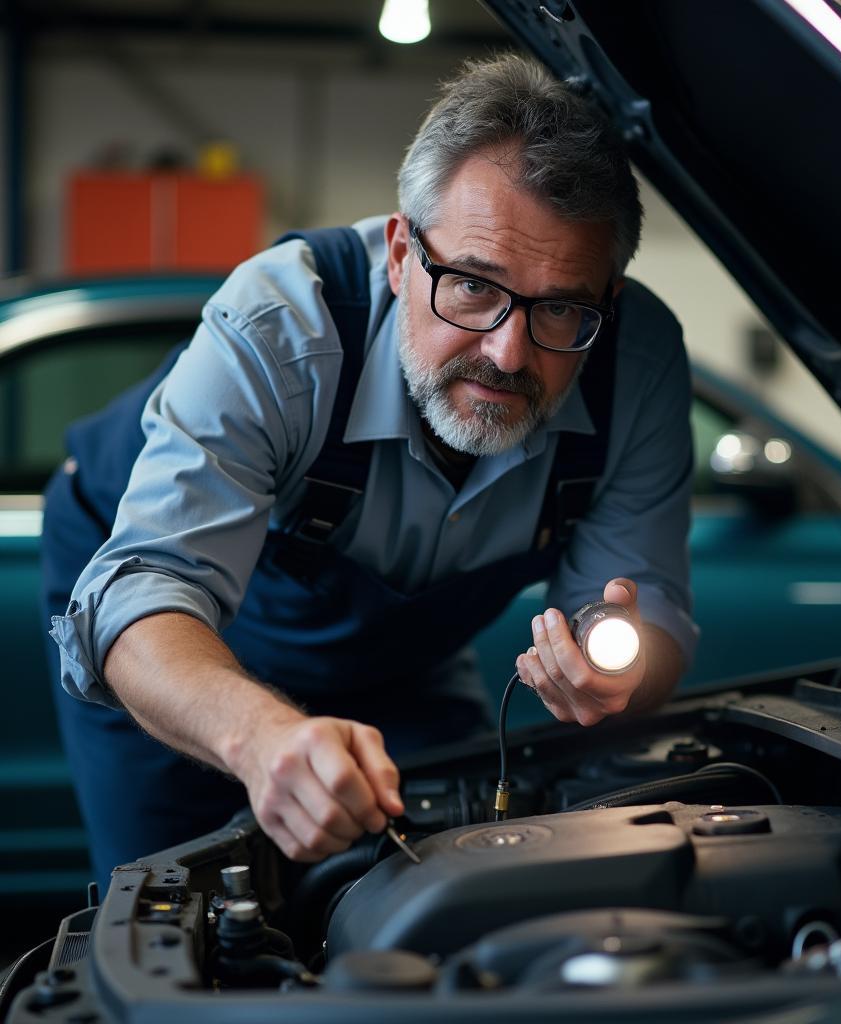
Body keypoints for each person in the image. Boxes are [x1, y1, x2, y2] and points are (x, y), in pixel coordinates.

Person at [42, 53, 698, 886]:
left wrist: (622, 674)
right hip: (166, 628)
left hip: (405, 663)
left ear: (608, 298)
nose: (507, 352)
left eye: (562, 307)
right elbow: (147, 584)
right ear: (399, 254)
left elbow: (652, 607)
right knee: (174, 903)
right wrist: (261, 737)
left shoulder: (636, 365)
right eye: (472, 285)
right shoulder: (281, 327)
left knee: (455, 880)